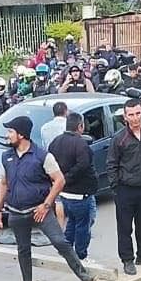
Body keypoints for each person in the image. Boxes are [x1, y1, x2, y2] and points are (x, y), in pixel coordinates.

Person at [0, 115, 95, 281]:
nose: (8, 135)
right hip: (16, 213)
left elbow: (59, 180)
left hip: (40, 211)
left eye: (10, 131)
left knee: (60, 242)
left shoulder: (42, 156)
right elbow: (3, 184)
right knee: (23, 250)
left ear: (21, 134)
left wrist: (46, 205)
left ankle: (83, 274)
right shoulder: (6, 157)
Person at [108, 98, 141, 275]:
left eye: (138, 113)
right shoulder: (119, 138)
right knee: (124, 227)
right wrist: (116, 187)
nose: (135, 118)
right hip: (125, 190)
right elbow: (112, 164)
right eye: (130, 114)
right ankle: (127, 259)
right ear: (125, 116)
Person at [49, 112, 98, 261]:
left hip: (64, 194)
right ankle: (81, 255)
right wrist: (66, 179)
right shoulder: (81, 144)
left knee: (72, 222)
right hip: (80, 194)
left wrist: (61, 181)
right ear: (80, 126)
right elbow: (84, 166)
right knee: (83, 225)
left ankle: (66, 250)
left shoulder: (55, 142)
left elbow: (50, 164)